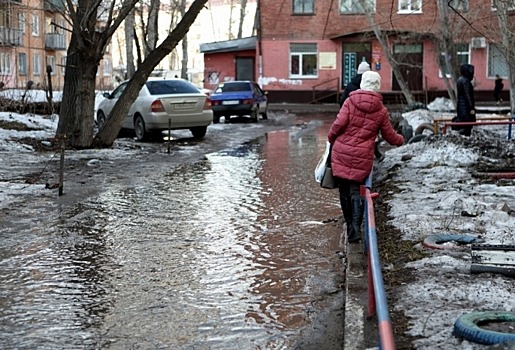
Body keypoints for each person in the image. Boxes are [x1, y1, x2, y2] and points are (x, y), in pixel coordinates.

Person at [328, 71, 405, 243]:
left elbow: (338, 125)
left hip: (341, 152)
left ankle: (349, 226)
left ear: (362, 83)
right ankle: (356, 227)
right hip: (362, 156)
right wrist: (401, 140)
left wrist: (331, 138)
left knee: (343, 190)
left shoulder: (349, 101)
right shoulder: (381, 110)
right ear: (377, 86)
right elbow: (389, 136)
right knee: (357, 190)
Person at [455, 63, 476, 136]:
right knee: (467, 126)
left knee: (464, 124)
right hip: (466, 108)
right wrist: (471, 108)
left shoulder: (460, 79)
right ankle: (461, 137)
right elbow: (468, 95)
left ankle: (461, 137)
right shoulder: (466, 81)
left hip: (461, 106)